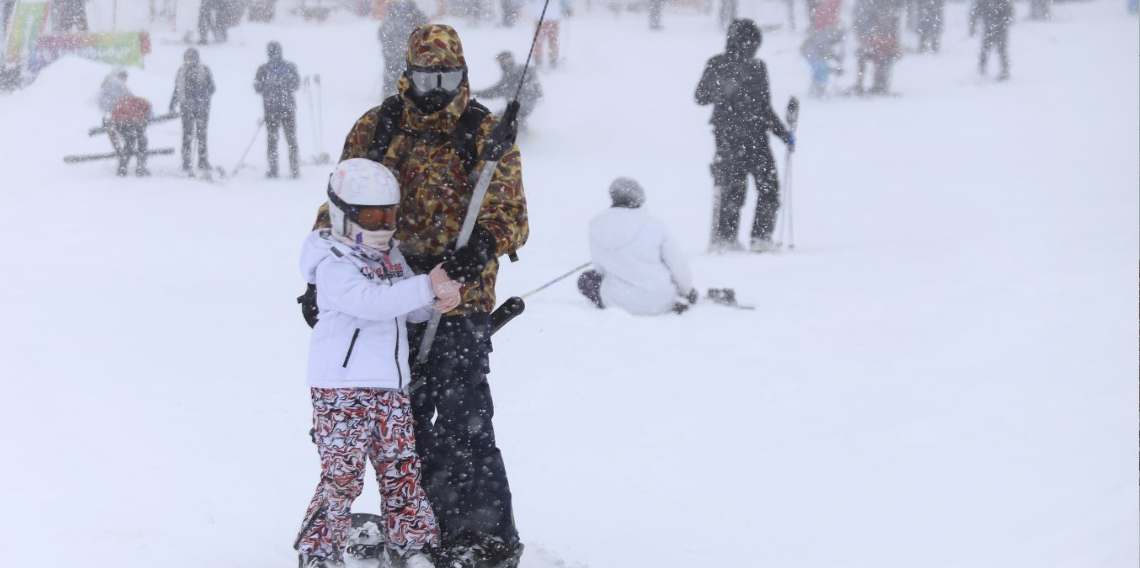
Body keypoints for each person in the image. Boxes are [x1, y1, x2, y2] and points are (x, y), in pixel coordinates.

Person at [322, 24, 528, 568]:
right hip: (387, 297)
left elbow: (511, 215)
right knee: (401, 423)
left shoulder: (484, 132)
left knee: (465, 417)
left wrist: (481, 245)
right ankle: (419, 525)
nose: (437, 88)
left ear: (463, 74)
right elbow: (340, 204)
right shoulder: (377, 127)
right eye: (426, 76)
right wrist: (320, 279)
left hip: (462, 300)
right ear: (406, 74)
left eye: (448, 76)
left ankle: (482, 533)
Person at [296, 158, 460, 568]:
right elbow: (370, 303)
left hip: (390, 388)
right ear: (344, 214)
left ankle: (412, 545)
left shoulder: (391, 257)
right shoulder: (333, 263)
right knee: (342, 477)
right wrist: (425, 285)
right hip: (342, 389)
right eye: (372, 215)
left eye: (389, 214)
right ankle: (318, 551)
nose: (384, 225)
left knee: (402, 469)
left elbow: (407, 308)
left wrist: (439, 297)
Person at [695, 19, 794, 253]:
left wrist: (784, 134)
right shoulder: (718, 64)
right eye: (751, 43)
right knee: (738, 188)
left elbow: (764, 106)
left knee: (762, 186)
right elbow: (700, 96)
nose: (752, 49)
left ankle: (755, 238)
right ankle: (730, 239)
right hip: (733, 137)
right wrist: (721, 89)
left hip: (750, 137)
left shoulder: (757, 67)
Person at [577, 177, 697, 315]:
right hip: (661, 301)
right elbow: (677, 264)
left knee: (586, 279)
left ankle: (624, 302)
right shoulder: (654, 224)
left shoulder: (597, 226)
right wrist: (687, 291)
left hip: (616, 302)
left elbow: (600, 269)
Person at [255, 41, 301, 179]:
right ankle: (288, 169)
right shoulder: (286, 67)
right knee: (283, 140)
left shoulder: (265, 69)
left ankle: (281, 169)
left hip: (277, 109)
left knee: (279, 140)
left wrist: (270, 86)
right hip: (279, 109)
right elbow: (258, 87)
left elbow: (295, 84)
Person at [170, 48, 215, 176]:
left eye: (190, 58)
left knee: (201, 135)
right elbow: (177, 88)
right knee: (187, 135)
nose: (188, 62)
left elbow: (212, 87)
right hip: (186, 108)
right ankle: (186, 161)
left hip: (202, 108)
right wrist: (172, 102)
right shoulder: (182, 71)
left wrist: (204, 93)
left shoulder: (204, 70)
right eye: (186, 59)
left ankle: (202, 160)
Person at [472, 51, 542, 134]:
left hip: (522, 105)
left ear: (508, 60)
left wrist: (476, 93)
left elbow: (496, 91)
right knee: (511, 116)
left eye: (501, 61)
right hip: (526, 104)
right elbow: (497, 90)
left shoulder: (513, 73)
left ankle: (517, 135)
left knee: (496, 120)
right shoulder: (516, 71)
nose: (500, 64)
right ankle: (522, 132)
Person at [849, 0, 902, 95]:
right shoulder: (870, 17)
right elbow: (864, 36)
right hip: (874, 46)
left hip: (884, 48)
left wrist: (891, 48)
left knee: (883, 60)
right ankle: (861, 84)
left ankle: (879, 84)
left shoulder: (892, 23)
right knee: (863, 54)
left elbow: (894, 40)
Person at [378, 0, 428, 99]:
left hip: (405, 51)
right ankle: (391, 93)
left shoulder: (415, 15)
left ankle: (404, 94)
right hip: (395, 50)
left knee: (401, 72)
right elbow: (383, 32)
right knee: (394, 72)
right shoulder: (396, 14)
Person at [801, 0, 845, 98]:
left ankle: (816, 90)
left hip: (812, 52)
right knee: (821, 71)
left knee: (820, 70)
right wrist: (833, 57)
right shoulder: (826, 33)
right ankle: (818, 91)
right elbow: (822, 47)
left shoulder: (827, 31)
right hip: (811, 53)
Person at [110, 93, 153, 177]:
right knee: (142, 142)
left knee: (129, 143)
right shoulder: (142, 103)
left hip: (119, 123)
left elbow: (112, 131)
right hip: (133, 121)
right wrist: (144, 120)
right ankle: (141, 167)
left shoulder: (119, 104)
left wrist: (117, 149)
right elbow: (148, 111)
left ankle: (122, 167)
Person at [970, 0, 1013, 81]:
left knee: (1001, 50)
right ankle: (981, 71)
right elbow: (975, 12)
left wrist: (1005, 20)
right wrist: (973, 26)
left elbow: (1010, 12)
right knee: (985, 49)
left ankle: (1004, 71)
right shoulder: (982, 2)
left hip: (1001, 29)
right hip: (988, 29)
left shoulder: (1003, 2)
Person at [531, 0, 565, 68]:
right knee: (552, 39)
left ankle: (538, 59)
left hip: (540, 14)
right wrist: (567, 7)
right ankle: (553, 59)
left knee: (539, 40)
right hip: (553, 15)